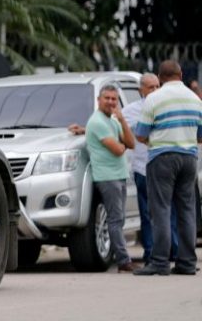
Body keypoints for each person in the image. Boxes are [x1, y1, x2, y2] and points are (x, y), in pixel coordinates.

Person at [133, 60, 202, 276]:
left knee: (161, 209)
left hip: (161, 157)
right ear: (180, 75)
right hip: (189, 158)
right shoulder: (195, 99)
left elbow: (141, 134)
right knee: (187, 211)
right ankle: (187, 263)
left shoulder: (154, 98)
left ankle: (160, 262)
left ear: (160, 78)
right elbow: (200, 135)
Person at [121, 73, 179, 262]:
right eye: (150, 87)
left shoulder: (168, 107)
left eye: (157, 86)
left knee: (170, 211)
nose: (154, 90)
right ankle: (151, 253)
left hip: (165, 168)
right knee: (147, 214)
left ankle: (173, 251)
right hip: (143, 168)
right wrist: (85, 129)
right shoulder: (131, 110)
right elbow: (112, 126)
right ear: (141, 90)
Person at [84, 83, 137, 273]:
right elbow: (117, 150)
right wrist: (122, 146)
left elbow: (131, 142)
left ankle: (122, 257)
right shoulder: (97, 121)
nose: (111, 102)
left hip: (119, 175)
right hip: (107, 177)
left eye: (114, 99)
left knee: (118, 219)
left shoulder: (113, 121)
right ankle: (124, 261)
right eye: (107, 98)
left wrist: (122, 120)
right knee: (115, 220)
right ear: (99, 100)